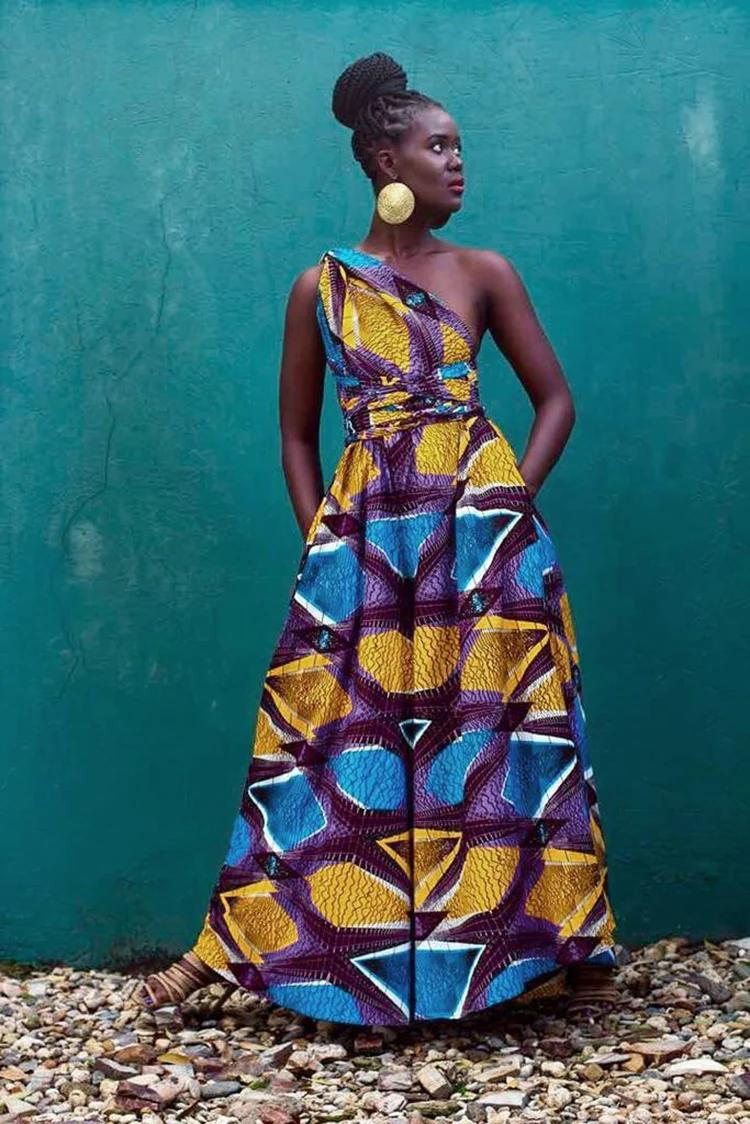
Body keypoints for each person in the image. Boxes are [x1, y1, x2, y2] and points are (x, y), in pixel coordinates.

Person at [129, 51, 619, 1026]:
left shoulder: (484, 273)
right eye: (440, 146)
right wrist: (324, 538)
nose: (458, 162)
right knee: (323, 741)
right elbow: (293, 434)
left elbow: (557, 401)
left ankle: (559, 953)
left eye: (460, 146)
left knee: (501, 735)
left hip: (482, 547)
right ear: (387, 161)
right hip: (366, 550)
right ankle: (234, 948)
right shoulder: (320, 288)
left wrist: (506, 502)